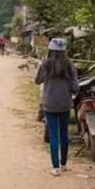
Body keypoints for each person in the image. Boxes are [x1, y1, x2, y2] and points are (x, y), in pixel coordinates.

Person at [34, 37, 78, 176]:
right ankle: (64, 164)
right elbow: (75, 87)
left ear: (50, 50)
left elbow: (37, 81)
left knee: (53, 135)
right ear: (64, 50)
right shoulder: (69, 65)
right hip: (65, 103)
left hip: (49, 104)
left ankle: (55, 167)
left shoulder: (45, 64)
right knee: (64, 134)